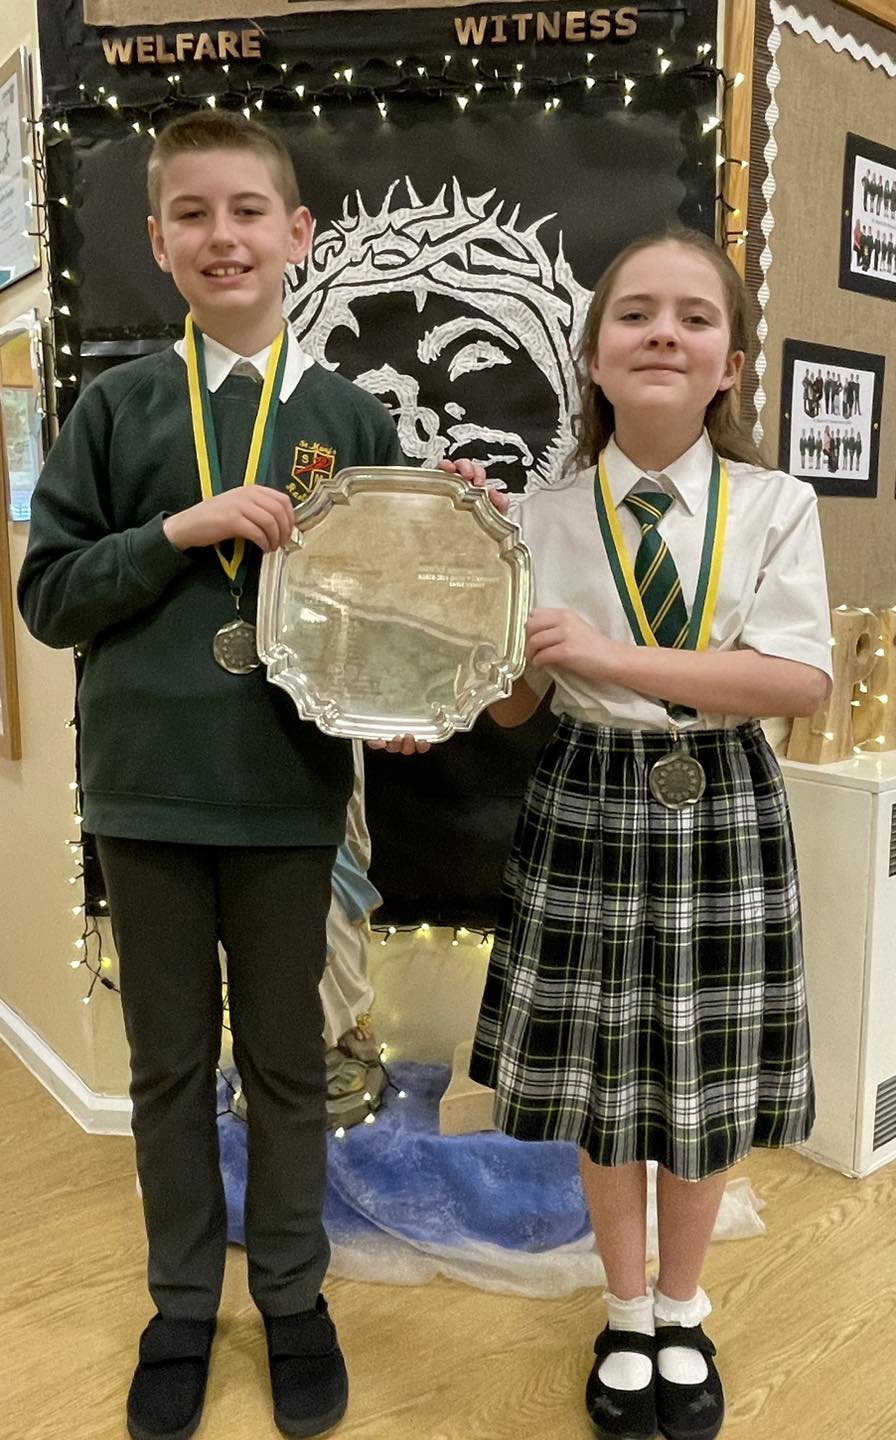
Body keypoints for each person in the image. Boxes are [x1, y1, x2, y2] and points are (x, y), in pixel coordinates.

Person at [17, 109, 407, 1440]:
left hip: (289, 797)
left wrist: (411, 686)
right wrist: (176, 531)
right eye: (192, 214)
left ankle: (292, 1298)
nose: (221, 236)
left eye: (247, 211)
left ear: (297, 234)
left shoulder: (351, 417)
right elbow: (50, 598)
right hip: (148, 795)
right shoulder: (115, 407)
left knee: (291, 1065)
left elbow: (390, 614)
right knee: (169, 1069)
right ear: (156, 240)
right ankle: (182, 1305)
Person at [467, 228, 832, 1440]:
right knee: (604, 1083)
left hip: (720, 797)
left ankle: (684, 1308)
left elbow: (794, 682)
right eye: (633, 314)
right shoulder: (539, 511)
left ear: (730, 363)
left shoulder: (776, 503)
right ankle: (625, 1315)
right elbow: (512, 704)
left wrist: (608, 654)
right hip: (584, 795)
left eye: (693, 316)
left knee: (701, 1080)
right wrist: (471, 592)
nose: (662, 333)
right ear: (591, 355)